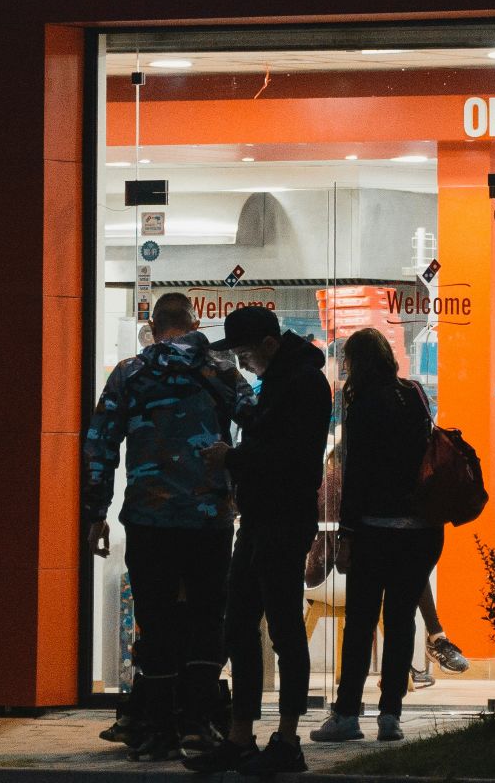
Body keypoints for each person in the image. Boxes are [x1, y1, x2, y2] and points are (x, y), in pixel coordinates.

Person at [83, 292, 253, 760]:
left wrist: (95, 514)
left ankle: (155, 727)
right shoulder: (221, 371)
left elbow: (100, 444)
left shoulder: (130, 374)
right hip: (209, 520)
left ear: (154, 328)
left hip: (149, 519)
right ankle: (197, 725)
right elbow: (258, 424)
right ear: (194, 321)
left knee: (154, 620)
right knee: (206, 617)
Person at [185, 305, 331, 776]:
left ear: (269, 344)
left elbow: (292, 457)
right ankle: (240, 736)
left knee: (285, 628)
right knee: (239, 624)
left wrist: (233, 459)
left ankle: (287, 741)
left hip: (284, 520)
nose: (244, 363)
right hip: (261, 519)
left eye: (247, 353)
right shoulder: (283, 380)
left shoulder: (305, 383)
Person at [310, 329, 445, 744]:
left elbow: (357, 476)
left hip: (375, 530)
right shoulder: (415, 394)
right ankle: (391, 717)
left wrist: (345, 535)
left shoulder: (362, 403)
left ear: (356, 363)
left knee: (361, 623)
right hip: (420, 529)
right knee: (401, 621)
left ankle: (348, 713)